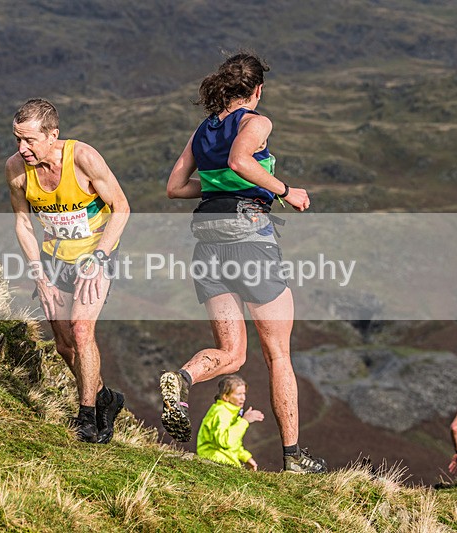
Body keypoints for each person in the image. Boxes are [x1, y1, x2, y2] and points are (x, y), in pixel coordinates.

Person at [160, 52, 326, 473]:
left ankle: (181, 380)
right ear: (256, 89)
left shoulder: (203, 130)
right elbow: (240, 160)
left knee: (231, 354)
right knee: (278, 355)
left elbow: (176, 188)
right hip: (248, 235)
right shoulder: (256, 121)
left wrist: (216, 188)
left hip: (208, 239)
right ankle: (293, 457)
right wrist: (286, 190)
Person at [5, 98, 130, 443]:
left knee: (81, 329)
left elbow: (121, 208)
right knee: (63, 346)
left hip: (95, 254)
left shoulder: (83, 158)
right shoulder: (16, 169)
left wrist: (100, 257)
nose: (23, 148)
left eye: (30, 140)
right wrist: (39, 276)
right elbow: (23, 224)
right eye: (17, 139)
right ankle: (106, 397)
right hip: (54, 259)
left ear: (52, 135)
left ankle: (87, 417)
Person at [197, 375, 264, 470]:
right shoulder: (221, 412)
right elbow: (224, 441)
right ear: (226, 397)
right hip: (214, 460)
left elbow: (233, 443)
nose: (243, 398)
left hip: (224, 460)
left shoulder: (230, 412)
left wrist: (245, 457)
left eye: (244, 393)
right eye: (238, 394)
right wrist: (244, 421)